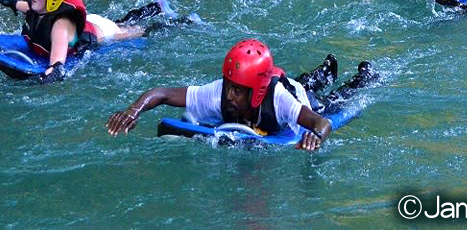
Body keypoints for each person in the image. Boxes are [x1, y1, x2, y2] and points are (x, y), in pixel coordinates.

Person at [106, 39, 377, 152]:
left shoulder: (279, 99)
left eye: (237, 90)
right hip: (278, 86)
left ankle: (363, 77)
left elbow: (322, 123)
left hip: (296, 98)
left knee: (332, 100)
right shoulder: (218, 93)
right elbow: (163, 94)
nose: (229, 96)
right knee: (307, 82)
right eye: (229, 85)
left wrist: (315, 136)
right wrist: (133, 110)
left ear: (256, 92)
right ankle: (324, 71)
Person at [0, 0, 175, 83]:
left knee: (138, 31)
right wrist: (10, 0)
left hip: (103, 33)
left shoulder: (60, 27)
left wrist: (50, 75)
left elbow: (58, 61)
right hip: (91, 23)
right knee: (122, 22)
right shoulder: (40, 6)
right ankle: (156, 7)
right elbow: (25, 6)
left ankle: (181, 22)